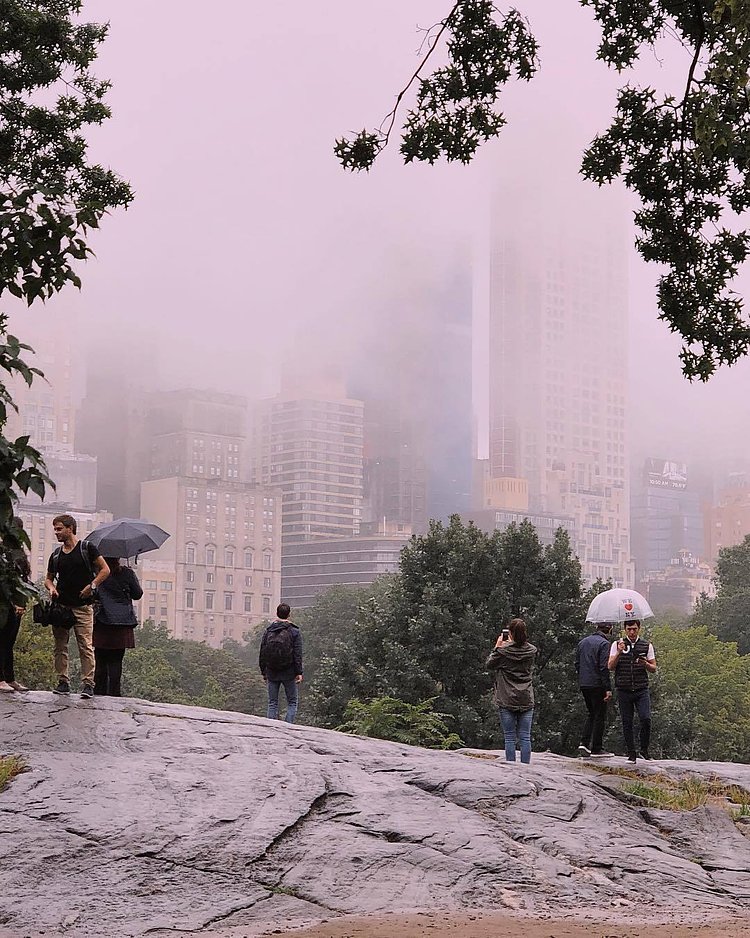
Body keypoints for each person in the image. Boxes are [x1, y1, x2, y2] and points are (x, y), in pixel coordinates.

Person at [44, 514, 109, 699]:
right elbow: (48, 579)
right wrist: (51, 588)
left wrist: (92, 586)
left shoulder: (87, 548)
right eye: (55, 529)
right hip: (61, 606)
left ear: (70, 528)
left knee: (85, 646)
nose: (56, 533)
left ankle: (88, 683)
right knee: (60, 646)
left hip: (83, 606)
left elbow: (105, 570)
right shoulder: (56, 555)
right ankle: (63, 681)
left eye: (59, 529)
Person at [486, 618, 537, 764]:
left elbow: (490, 664)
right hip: (526, 697)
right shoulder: (531, 651)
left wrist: (498, 647)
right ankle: (526, 768)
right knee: (525, 737)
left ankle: (511, 768)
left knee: (509, 737)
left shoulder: (503, 652)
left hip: (507, 698)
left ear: (511, 633)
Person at [608, 619, 657, 763]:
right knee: (626, 722)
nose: (632, 632)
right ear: (625, 629)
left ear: (639, 629)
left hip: (641, 688)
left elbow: (654, 668)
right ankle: (631, 753)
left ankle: (644, 750)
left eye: (634, 629)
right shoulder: (617, 644)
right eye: (629, 629)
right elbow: (610, 666)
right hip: (624, 688)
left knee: (646, 719)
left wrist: (645, 664)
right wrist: (619, 652)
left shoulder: (646, 645)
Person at [93, 558, 142, 697]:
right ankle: (115, 694)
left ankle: (98, 692)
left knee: (100, 659)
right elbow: (137, 594)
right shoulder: (127, 573)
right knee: (116, 660)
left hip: (102, 621)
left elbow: (92, 593)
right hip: (122, 622)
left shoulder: (98, 573)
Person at [0, 517, 32, 693]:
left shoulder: (17, 552)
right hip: (5, 605)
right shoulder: (3, 553)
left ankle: (10, 677)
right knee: (2, 641)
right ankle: (1, 679)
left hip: (16, 606)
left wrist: (21, 602)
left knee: (9, 642)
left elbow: (23, 580)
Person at [259, 603, 303, 723]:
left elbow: (262, 652)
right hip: (289, 672)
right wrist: (299, 672)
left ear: (277, 613)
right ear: (289, 614)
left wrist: (264, 671)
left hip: (272, 671)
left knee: (272, 703)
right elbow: (297, 654)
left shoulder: (268, 631)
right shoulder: (294, 631)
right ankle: (288, 728)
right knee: (292, 702)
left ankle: (271, 728)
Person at [575, 622, 614, 756]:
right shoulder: (604, 644)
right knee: (600, 715)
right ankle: (597, 748)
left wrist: (582, 677)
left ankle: (584, 743)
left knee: (592, 713)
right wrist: (608, 688)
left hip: (584, 683)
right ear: (609, 629)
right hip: (597, 684)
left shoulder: (583, 642)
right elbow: (604, 667)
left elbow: (577, 663)